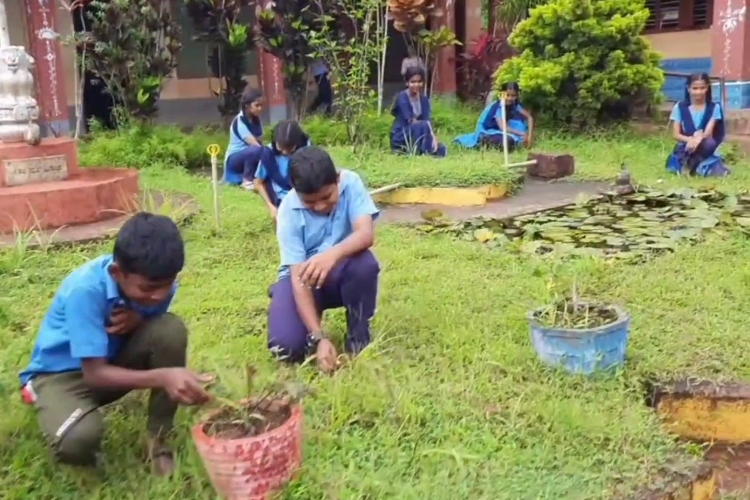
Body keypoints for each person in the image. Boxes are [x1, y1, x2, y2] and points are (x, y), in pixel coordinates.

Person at [19, 212, 211, 475]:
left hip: (110, 362)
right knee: (79, 440)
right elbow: (95, 375)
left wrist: (142, 315)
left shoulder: (157, 281)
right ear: (117, 273)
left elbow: (154, 305)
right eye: (148, 289)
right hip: (62, 376)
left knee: (170, 329)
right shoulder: (85, 290)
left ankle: (158, 441)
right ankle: (49, 402)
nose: (159, 295)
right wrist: (165, 376)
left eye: (168, 285)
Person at [268, 146, 380, 373]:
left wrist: (331, 256)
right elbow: (299, 280)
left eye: (326, 197)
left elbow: (365, 234)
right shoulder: (288, 212)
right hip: (302, 280)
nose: (320, 206)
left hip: (340, 273)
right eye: (310, 202)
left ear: (337, 179)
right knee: (286, 348)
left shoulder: (352, 183)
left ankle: (358, 337)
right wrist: (319, 338)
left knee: (365, 264)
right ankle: (288, 300)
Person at [666, 73, 729, 177]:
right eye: (695, 88)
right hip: (687, 146)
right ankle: (692, 165)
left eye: (702, 88)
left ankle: (691, 165)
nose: (698, 92)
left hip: (705, 145)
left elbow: (708, 133)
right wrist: (690, 140)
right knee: (687, 149)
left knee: (709, 143)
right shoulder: (680, 107)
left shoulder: (714, 107)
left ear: (707, 88)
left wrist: (698, 139)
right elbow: (676, 135)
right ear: (688, 89)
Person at [255, 120, 312, 219]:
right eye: (281, 147)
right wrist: (271, 206)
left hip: (305, 196)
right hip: (282, 200)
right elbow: (258, 183)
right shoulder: (268, 154)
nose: (285, 152)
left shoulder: (307, 150)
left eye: (289, 148)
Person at [454, 82, 533, 151]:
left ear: (516, 96)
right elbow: (503, 127)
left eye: (513, 96)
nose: (509, 98)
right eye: (507, 95)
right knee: (509, 141)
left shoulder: (514, 104)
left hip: (498, 131)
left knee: (517, 138)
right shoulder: (498, 106)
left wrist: (529, 135)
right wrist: (522, 133)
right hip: (486, 131)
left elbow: (529, 118)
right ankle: (484, 141)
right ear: (502, 94)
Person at [391, 66, 447, 157]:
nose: (416, 84)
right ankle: (427, 152)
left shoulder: (424, 100)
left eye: (419, 82)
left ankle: (427, 150)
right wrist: (430, 135)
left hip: (418, 134)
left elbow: (427, 120)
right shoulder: (402, 97)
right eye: (413, 82)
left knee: (442, 148)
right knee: (423, 126)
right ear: (407, 82)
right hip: (402, 135)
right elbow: (411, 121)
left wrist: (434, 137)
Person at [223, 88, 265, 189]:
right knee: (256, 150)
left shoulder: (256, 120)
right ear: (247, 105)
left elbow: (261, 141)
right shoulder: (240, 121)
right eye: (257, 105)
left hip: (249, 157)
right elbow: (255, 145)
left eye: (262, 105)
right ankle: (247, 180)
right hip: (234, 160)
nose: (260, 108)